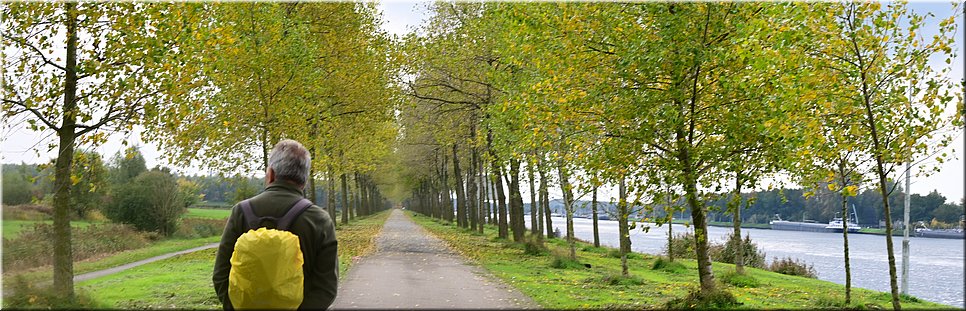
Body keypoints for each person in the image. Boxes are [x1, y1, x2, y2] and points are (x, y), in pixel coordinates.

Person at [213, 139, 338, 310]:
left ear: (270, 173)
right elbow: (327, 287)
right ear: (305, 181)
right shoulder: (319, 219)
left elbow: (220, 275)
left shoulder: (241, 211)